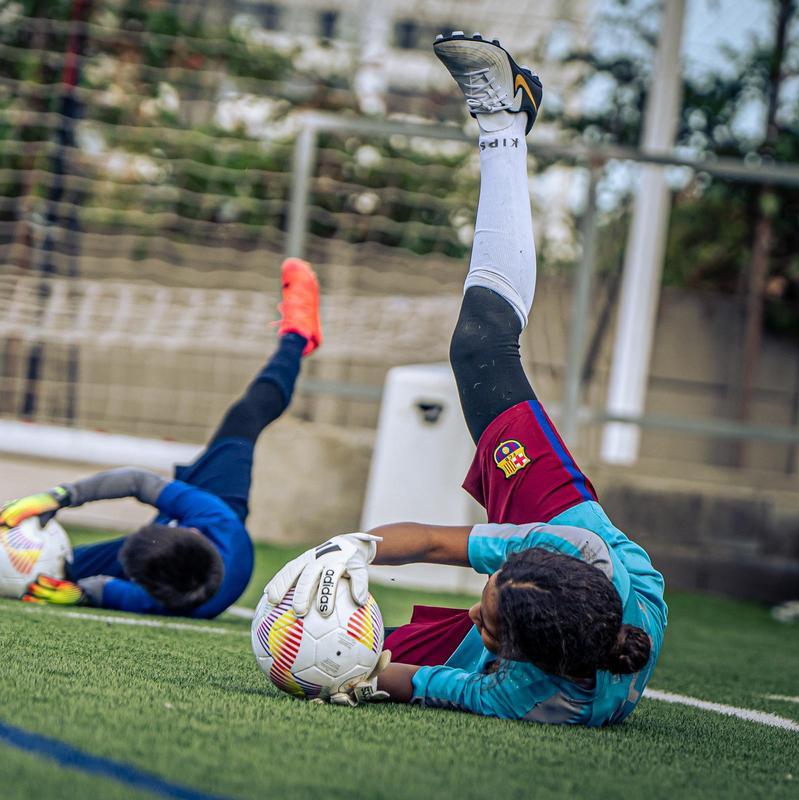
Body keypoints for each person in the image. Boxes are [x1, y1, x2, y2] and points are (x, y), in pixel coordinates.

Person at [265, 33, 666, 726]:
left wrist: (334, 670)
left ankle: (508, 121)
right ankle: (505, 121)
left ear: (509, 656)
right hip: (592, 550)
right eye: (489, 596)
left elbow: (418, 683)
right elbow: (436, 543)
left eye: (485, 622)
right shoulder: (575, 547)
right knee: (480, 351)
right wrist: (346, 550)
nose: (477, 610)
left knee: (370, 648)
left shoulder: (536, 698)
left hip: (551, 631)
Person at [0, 258, 324, 619]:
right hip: (222, 499)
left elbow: (100, 588)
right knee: (246, 415)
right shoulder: (213, 518)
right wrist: (58, 498)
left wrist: (74, 592)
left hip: (181, 569)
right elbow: (135, 481)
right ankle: (298, 335)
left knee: (19, 579)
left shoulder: (158, 601)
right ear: (183, 527)